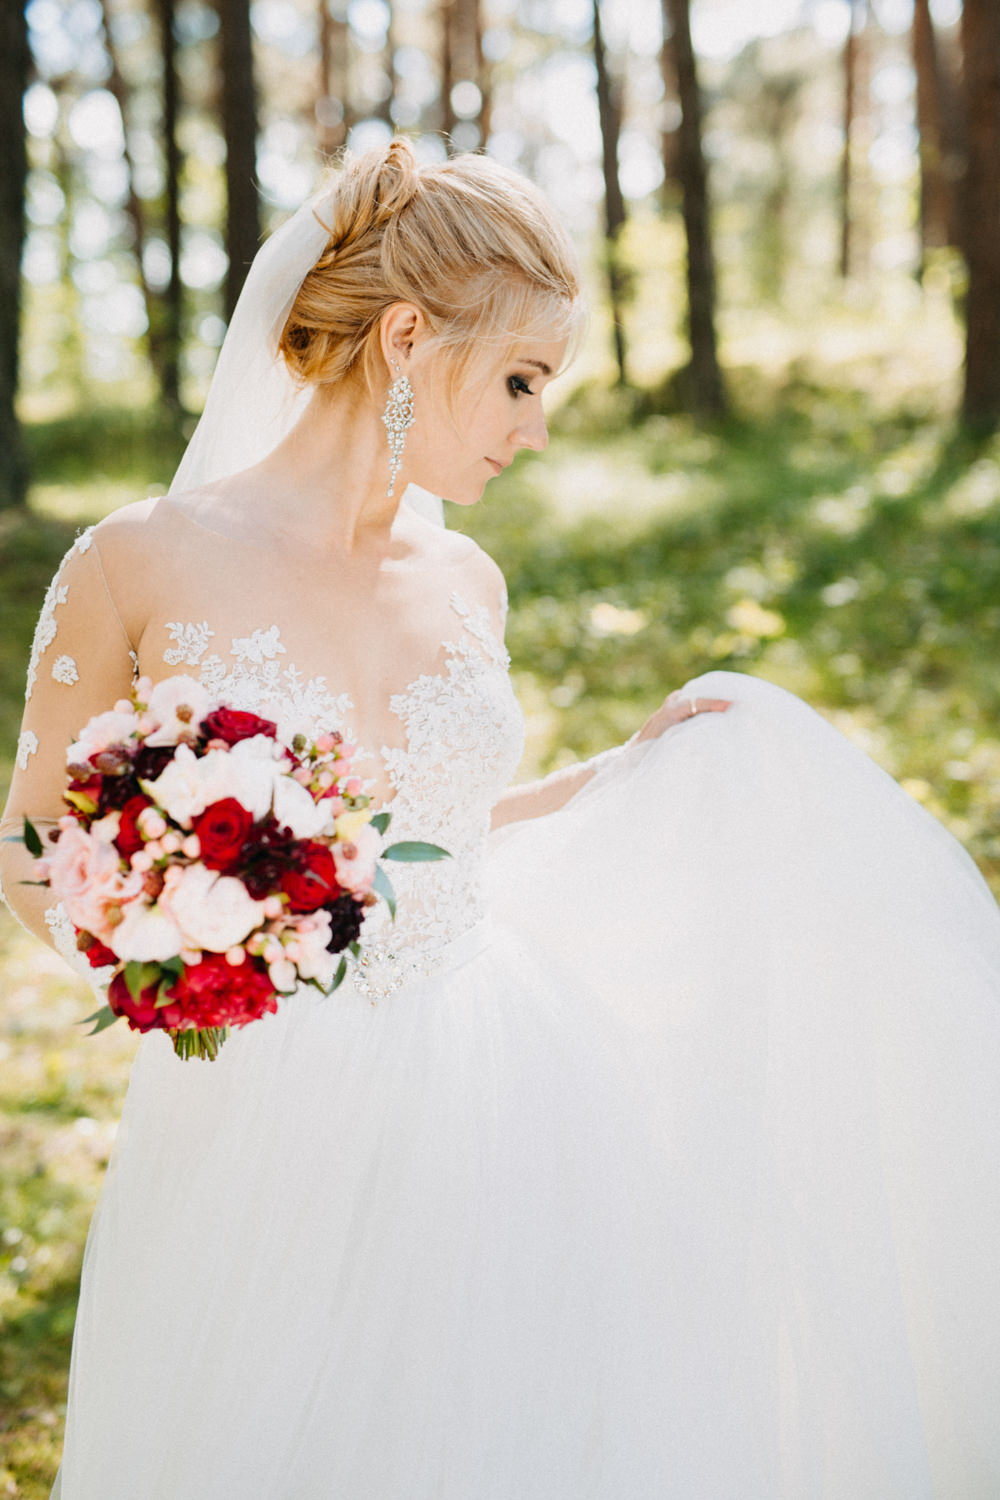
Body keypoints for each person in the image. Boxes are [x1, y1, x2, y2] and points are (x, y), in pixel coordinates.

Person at [2, 138, 999, 1499]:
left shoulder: (470, 581)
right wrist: (181, 968)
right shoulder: (135, 561)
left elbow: (439, 830)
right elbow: (34, 846)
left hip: (491, 1083)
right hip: (254, 1107)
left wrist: (620, 771)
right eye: (523, 380)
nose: (535, 429)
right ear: (406, 337)